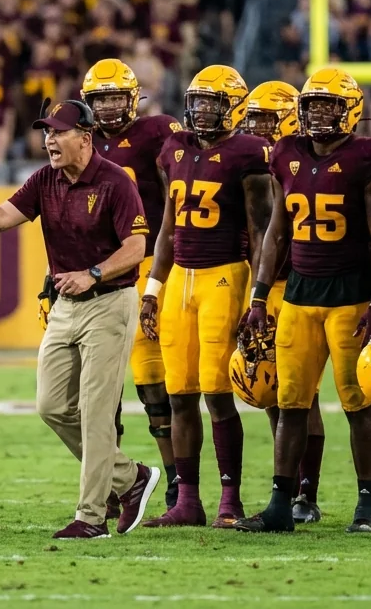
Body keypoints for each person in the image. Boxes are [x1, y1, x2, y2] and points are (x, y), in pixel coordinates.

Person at [0, 100, 162, 539]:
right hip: (65, 305)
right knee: (52, 406)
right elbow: (0, 217)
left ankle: (91, 518)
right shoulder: (45, 179)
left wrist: (93, 273)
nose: (49, 140)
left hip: (108, 303)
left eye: (59, 132)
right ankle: (130, 478)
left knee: (96, 413)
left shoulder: (116, 181)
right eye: (47, 133)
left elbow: (137, 247)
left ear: (86, 137)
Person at [236, 68, 371, 533]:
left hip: (350, 295)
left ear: (350, 111)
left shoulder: (369, 156)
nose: (319, 115)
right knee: (291, 403)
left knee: (356, 403)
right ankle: (280, 504)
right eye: (312, 106)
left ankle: (366, 504)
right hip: (300, 294)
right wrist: (259, 296)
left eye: (328, 106)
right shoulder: (286, 153)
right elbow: (276, 232)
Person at [142, 65, 275, 529]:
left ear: (233, 107)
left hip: (225, 275)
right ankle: (187, 502)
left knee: (218, 394)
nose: (201, 111)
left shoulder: (249, 153)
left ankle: (229, 500)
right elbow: (167, 227)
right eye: (197, 101)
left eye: (212, 103)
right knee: (179, 394)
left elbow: (261, 232)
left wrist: (257, 297)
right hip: (180, 277)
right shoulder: (174, 149)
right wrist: (153, 289)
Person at [82, 58, 182, 509]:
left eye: (114, 97)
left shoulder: (156, 132)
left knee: (155, 381)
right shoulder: (79, 141)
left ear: (133, 98)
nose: (106, 107)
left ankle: (179, 480)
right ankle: (112, 482)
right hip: (98, 273)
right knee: (101, 391)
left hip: (148, 267)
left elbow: (178, 197)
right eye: (99, 99)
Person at [240, 80, 327, 523]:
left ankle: (306, 494)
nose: (257, 127)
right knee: (272, 391)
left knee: (303, 396)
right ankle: (288, 490)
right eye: (253, 118)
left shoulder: (302, 157)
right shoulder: (258, 161)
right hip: (264, 286)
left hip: (301, 285)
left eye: (267, 119)